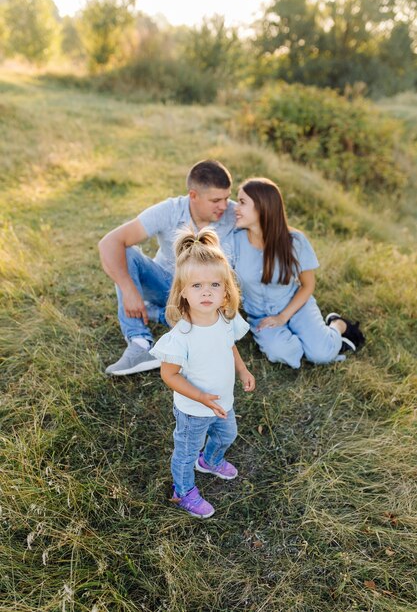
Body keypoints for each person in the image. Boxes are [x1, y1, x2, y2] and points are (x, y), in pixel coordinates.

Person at [150, 227, 255, 518]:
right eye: (196, 286)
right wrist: (200, 396)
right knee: (185, 452)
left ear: (226, 290)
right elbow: (169, 375)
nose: (206, 291)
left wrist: (243, 369)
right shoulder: (182, 334)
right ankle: (183, 491)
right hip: (193, 409)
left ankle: (209, 460)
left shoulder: (224, 319)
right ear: (182, 291)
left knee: (227, 434)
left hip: (222, 402)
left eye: (214, 285)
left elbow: (229, 346)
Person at [98, 159, 236, 375]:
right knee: (126, 253)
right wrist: (128, 290)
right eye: (216, 200)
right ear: (193, 196)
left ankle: (165, 315)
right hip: (165, 284)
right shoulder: (170, 210)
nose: (224, 206)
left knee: (212, 340)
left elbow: (269, 231)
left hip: (207, 296)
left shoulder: (233, 214)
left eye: (227, 197)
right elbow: (109, 243)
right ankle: (140, 344)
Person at [233, 177, 365, 369]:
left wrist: (283, 318)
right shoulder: (234, 242)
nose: (235, 208)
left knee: (321, 354)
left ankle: (338, 324)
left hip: (296, 306)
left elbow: (308, 284)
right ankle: (310, 338)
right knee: (284, 353)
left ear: (262, 207)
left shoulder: (294, 241)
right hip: (260, 315)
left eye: (242, 202)